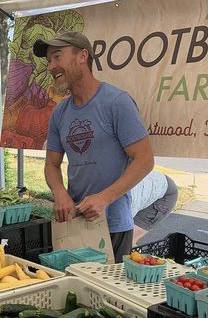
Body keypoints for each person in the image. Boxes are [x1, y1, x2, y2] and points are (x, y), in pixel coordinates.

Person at [36, 31, 154, 260]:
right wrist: (60, 193)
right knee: (75, 293)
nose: (51, 66)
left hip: (113, 226)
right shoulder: (59, 113)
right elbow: (51, 164)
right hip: (74, 224)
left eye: (57, 57)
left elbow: (145, 160)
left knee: (108, 295)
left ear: (82, 56)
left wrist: (104, 198)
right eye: (48, 61)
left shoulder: (116, 102)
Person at [130, 170, 179, 243]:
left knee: (128, 239)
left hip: (164, 194)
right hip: (144, 188)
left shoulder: (127, 200)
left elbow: (122, 226)